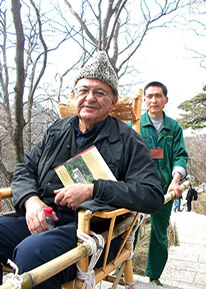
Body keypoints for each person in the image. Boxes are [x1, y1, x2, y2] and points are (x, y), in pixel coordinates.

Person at [0, 52, 164, 289]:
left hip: (93, 232)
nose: (90, 98)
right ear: (74, 95)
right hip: (43, 218)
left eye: (100, 93)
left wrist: (94, 190)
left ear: (113, 101)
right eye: (83, 90)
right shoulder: (57, 131)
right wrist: (31, 201)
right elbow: (25, 168)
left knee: (32, 254)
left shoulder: (128, 141)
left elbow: (152, 195)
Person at [140, 81, 188, 286]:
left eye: (158, 96)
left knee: (159, 234)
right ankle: (120, 269)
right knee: (128, 230)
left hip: (166, 189)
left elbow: (180, 156)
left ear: (165, 100)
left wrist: (175, 180)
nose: (153, 100)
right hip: (138, 188)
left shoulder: (174, 127)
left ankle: (154, 275)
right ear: (143, 100)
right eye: (149, 96)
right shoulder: (135, 124)